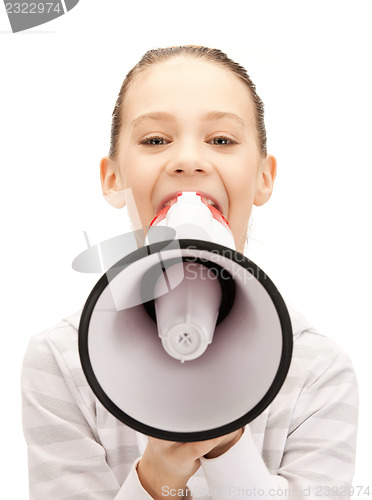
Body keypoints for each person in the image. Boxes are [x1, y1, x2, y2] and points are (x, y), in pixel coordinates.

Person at [21, 46, 358, 499]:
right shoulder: (61, 361)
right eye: (155, 140)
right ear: (112, 177)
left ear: (263, 177)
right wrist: (157, 477)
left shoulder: (318, 372)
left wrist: (228, 447)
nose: (189, 160)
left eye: (221, 140)